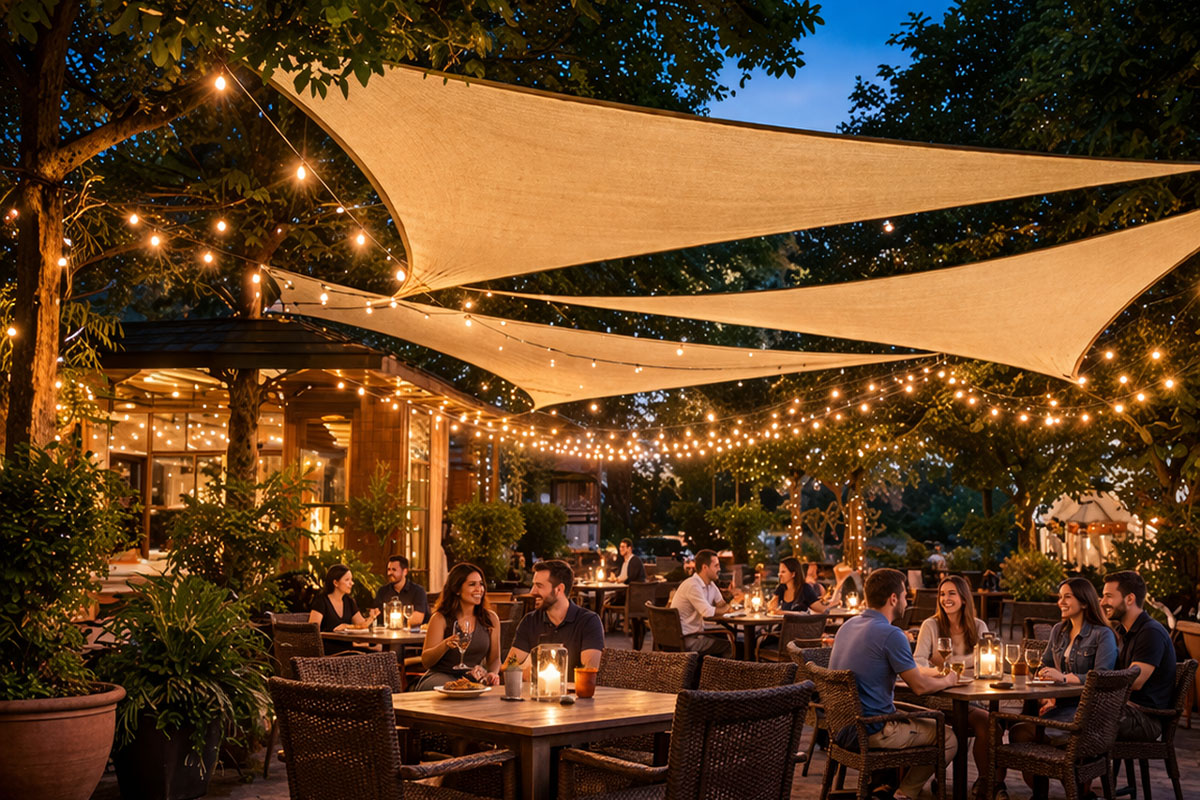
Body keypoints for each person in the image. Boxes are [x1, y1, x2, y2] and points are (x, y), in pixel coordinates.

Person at [830, 568, 958, 800]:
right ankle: (905, 794)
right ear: (893, 598)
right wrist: (949, 678)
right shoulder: (892, 634)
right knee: (948, 737)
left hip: (840, 728)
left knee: (905, 716)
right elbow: (918, 687)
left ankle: (885, 787)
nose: (907, 601)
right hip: (872, 729)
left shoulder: (846, 627)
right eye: (905, 596)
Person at [1007, 577, 1116, 794]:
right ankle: (1043, 793)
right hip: (1061, 709)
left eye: (1067, 597)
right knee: (1018, 732)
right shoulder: (1058, 631)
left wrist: (1064, 678)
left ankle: (1076, 790)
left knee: (1036, 734)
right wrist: (1049, 696)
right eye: (1060, 597)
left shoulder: (1103, 635)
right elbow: (1044, 667)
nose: (1061, 602)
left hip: (1088, 714)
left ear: (1084, 602)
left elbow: (1103, 677)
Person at [913, 575, 997, 799]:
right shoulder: (930, 625)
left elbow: (987, 660)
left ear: (964, 599)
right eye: (942, 594)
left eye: (951, 593)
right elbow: (918, 662)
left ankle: (986, 781)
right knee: (983, 720)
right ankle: (942, 777)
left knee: (991, 724)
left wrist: (947, 665)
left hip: (970, 697)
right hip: (938, 695)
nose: (945, 599)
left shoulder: (979, 626)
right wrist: (940, 671)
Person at [1101, 570, 1176, 741]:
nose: (1103, 602)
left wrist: (1095, 681)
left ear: (1129, 599)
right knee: (1066, 713)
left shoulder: (1151, 632)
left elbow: (1135, 681)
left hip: (1145, 719)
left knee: (1081, 719)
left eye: (1108, 596)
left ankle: (1089, 767)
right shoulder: (1124, 632)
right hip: (1126, 709)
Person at [508, 559, 605, 675]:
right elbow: (509, 666)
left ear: (559, 589)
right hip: (534, 692)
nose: (532, 591)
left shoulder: (588, 622)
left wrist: (529, 670)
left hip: (574, 693)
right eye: (533, 585)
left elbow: (588, 672)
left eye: (539, 586)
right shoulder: (529, 621)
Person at [415, 562, 500, 690]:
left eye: (481, 584)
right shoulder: (440, 618)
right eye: (472, 584)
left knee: (475, 691)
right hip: (440, 679)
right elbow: (426, 662)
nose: (479, 589)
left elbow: (495, 659)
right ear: (457, 589)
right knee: (459, 689)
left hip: (471, 680)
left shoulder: (491, 619)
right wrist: (445, 645)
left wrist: (492, 673)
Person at [670, 549, 742, 657]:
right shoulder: (693, 585)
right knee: (729, 645)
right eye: (716, 566)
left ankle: (710, 671)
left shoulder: (710, 585)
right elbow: (707, 612)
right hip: (686, 639)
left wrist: (729, 600)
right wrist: (728, 609)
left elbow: (721, 604)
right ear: (705, 567)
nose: (719, 569)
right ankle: (723, 673)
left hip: (695, 634)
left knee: (724, 636)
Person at [308, 564, 380, 654]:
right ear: (335, 583)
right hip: (328, 650)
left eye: (351, 580)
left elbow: (361, 625)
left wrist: (372, 617)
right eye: (347, 580)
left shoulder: (349, 601)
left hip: (348, 649)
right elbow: (312, 630)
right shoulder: (321, 601)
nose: (351, 583)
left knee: (379, 652)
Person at [374, 554, 428, 626]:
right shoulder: (383, 591)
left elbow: (417, 619)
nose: (390, 573)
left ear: (405, 572)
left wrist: (396, 623)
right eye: (389, 569)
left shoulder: (418, 591)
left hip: (413, 635)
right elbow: (376, 615)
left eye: (394, 570)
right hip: (386, 634)